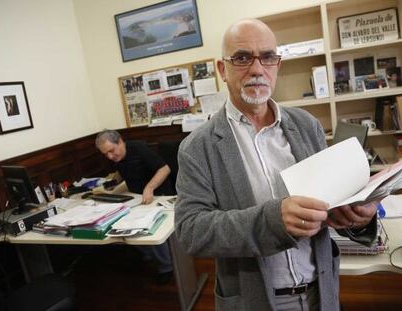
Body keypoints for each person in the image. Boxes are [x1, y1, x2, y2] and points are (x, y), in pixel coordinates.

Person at [174, 19, 378, 311]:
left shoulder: (307, 126)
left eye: (268, 57)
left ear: (277, 65)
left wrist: (356, 215)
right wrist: (272, 221)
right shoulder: (198, 147)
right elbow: (191, 231)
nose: (257, 69)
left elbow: (332, 201)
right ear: (222, 70)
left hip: (321, 292)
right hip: (253, 300)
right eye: (242, 58)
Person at [95, 129, 174, 284]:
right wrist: (110, 191)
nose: (110, 157)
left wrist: (149, 188)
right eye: (106, 154)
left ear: (120, 141)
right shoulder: (118, 157)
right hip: (137, 198)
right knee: (121, 223)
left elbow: (165, 169)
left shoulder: (139, 148)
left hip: (158, 195)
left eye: (111, 151)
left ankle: (166, 266)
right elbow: (128, 175)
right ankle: (150, 253)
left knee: (149, 227)